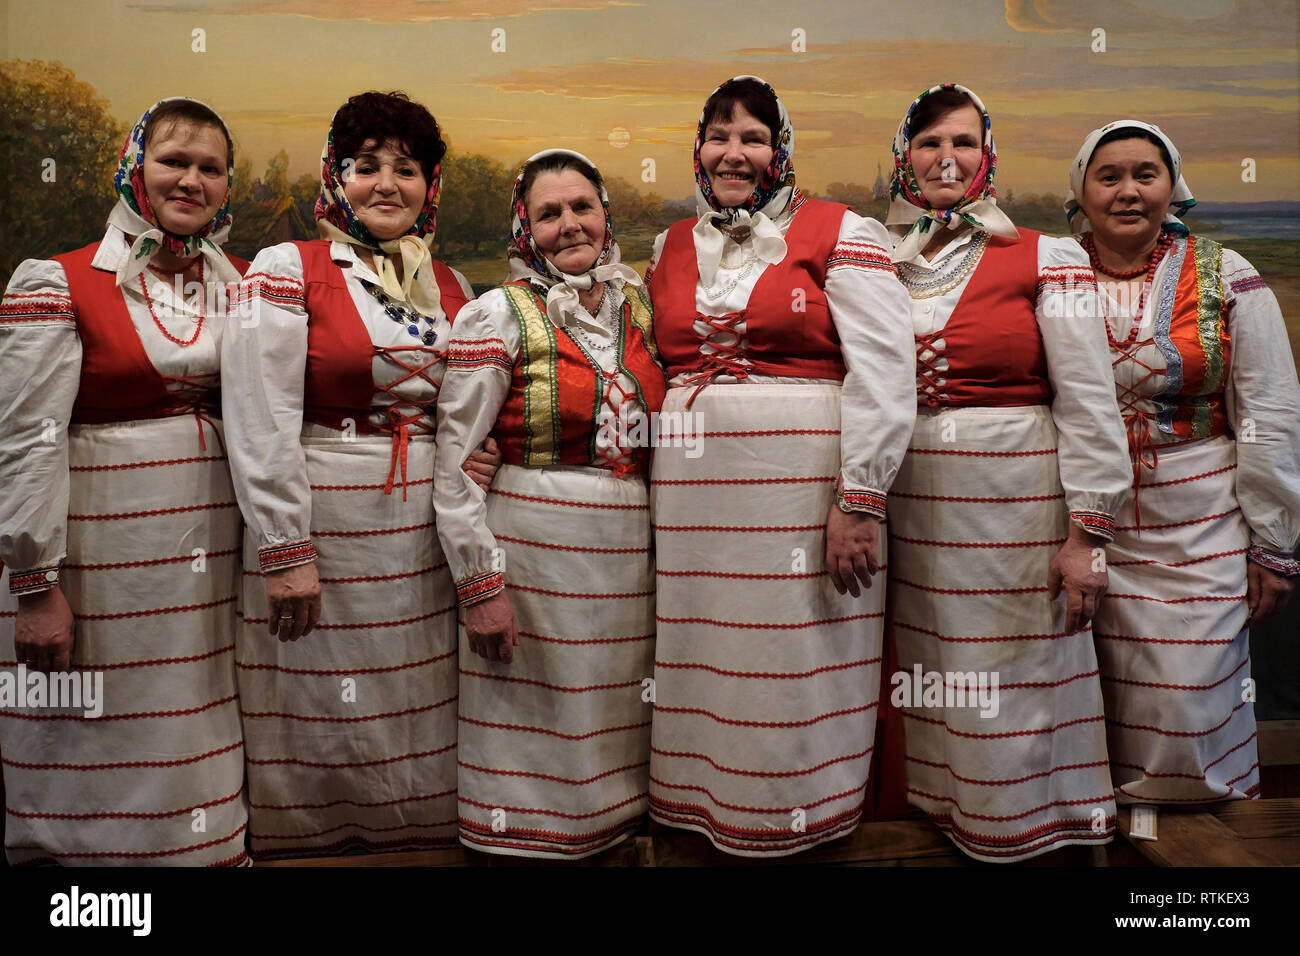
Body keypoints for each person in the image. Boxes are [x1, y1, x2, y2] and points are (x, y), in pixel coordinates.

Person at [644, 76, 916, 857]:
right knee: (705, 653)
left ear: (780, 150)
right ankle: (708, 815)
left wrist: (858, 499)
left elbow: (887, 373)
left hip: (803, 496)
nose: (735, 152)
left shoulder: (842, 230)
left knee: (800, 658)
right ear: (698, 148)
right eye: (719, 135)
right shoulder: (668, 245)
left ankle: (799, 822)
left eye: (754, 136)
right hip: (695, 503)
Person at [223, 90, 493, 859]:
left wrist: (485, 447)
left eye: (405, 170)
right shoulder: (287, 267)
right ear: (334, 177)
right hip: (322, 527)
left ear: (428, 187)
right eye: (366, 166)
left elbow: (466, 414)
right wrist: (286, 549)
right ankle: (302, 847)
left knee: (412, 702)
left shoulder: (453, 289)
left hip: (418, 541)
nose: (385, 184)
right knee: (308, 697)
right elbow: (256, 410)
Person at [883, 84, 1132, 862]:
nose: (945, 158)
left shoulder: (1042, 256)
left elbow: (1091, 401)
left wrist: (1087, 534)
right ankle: (952, 829)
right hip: (918, 514)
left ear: (986, 155)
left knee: (1019, 676)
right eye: (928, 143)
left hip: (1015, 507)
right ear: (904, 160)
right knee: (938, 677)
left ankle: (1029, 838)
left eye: (962, 142)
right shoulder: (883, 259)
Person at [0, 98, 250, 865]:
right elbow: (25, 441)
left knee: (187, 720)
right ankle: (89, 894)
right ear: (134, 164)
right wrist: (36, 585)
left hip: (204, 568)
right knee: (82, 728)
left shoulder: (237, 281)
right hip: (99, 566)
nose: (191, 180)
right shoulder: (59, 280)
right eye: (174, 160)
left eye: (210, 168)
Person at [433, 149, 664, 858]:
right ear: (525, 229)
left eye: (581, 207)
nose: (569, 226)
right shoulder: (496, 312)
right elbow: (454, 466)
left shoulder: (643, 307)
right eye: (549, 214)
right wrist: (480, 588)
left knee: (614, 727)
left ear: (605, 213)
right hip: (531, 553)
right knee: (534, 735)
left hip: (627, 560)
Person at [1065, 120, 1300, 804]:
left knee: (1188, 701)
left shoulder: (1230, 275)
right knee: (1089, 701)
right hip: (1086, 526)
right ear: (1082, 188)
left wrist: (1274, 542)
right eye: (1109, 177)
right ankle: (1102, 840)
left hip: (1201, 525)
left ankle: (1198, 865)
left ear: (1172, 187)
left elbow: (1269, 412)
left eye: (1146, 175)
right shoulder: (1055, 273)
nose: (1129, 192)